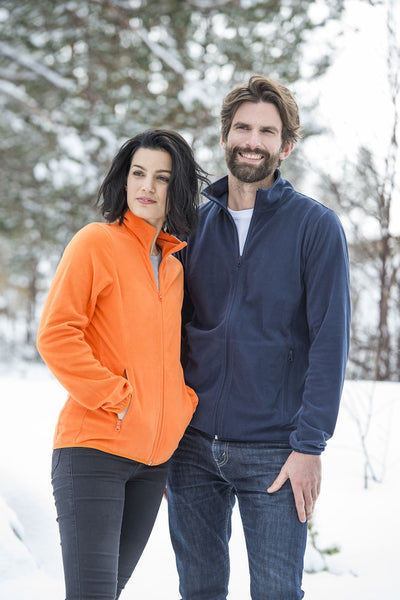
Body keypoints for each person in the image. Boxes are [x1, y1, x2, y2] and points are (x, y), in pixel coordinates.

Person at [167, 76, 351, 600]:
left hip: (276, 451)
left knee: (276, 593)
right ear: (225, 136)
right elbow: (170, 333)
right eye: (243, 128)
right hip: (191, 446)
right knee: (198, 591)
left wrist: (309, 446)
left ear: (286, 146)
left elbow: (330, 343)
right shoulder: (191, 226)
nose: (252, 141)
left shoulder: (315, 227)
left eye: (267, 131)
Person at [36, 128, 208, 600]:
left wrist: (176, 410)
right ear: (124, 179)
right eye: (138, 173)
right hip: (94, 450)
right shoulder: (96, 242)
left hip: (152, 464)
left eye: (161, 177)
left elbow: (171, 353)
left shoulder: (173, 266)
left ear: (177, 187)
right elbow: (56, 334)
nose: (146, 186)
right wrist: (119, 398)